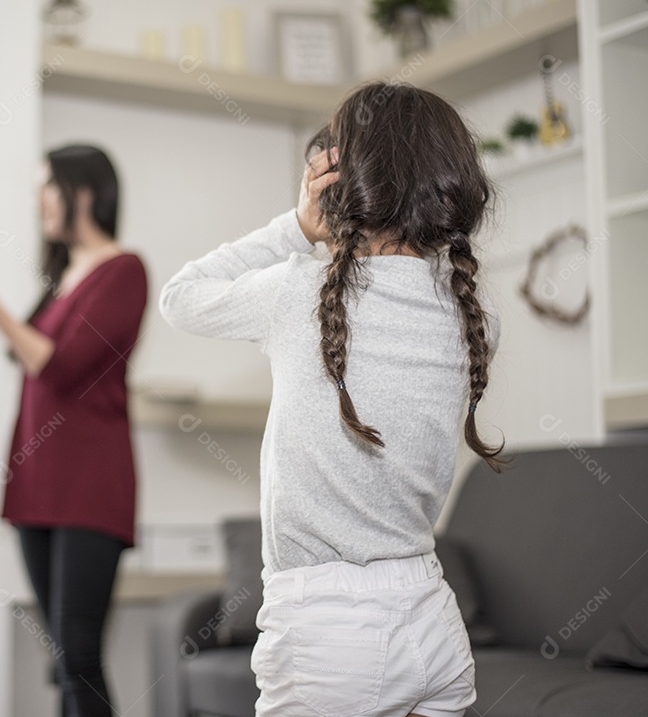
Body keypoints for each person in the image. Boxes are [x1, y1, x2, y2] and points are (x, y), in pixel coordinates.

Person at [159, 82, 504, 717]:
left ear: (347, 181)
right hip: (434, 619)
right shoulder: (467, 314)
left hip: (329, 632)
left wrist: (296, 227)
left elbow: (182, 295)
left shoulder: (299, 291)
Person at [0, 144, 146, 717]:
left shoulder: (124, 270)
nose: (39, 201)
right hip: (39, 481)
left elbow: (56, 364)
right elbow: (34, 360)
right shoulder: (63, 275)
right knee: (63, 659)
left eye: (48, 187)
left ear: (83, 194)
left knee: (78, 656)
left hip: (89, 484)